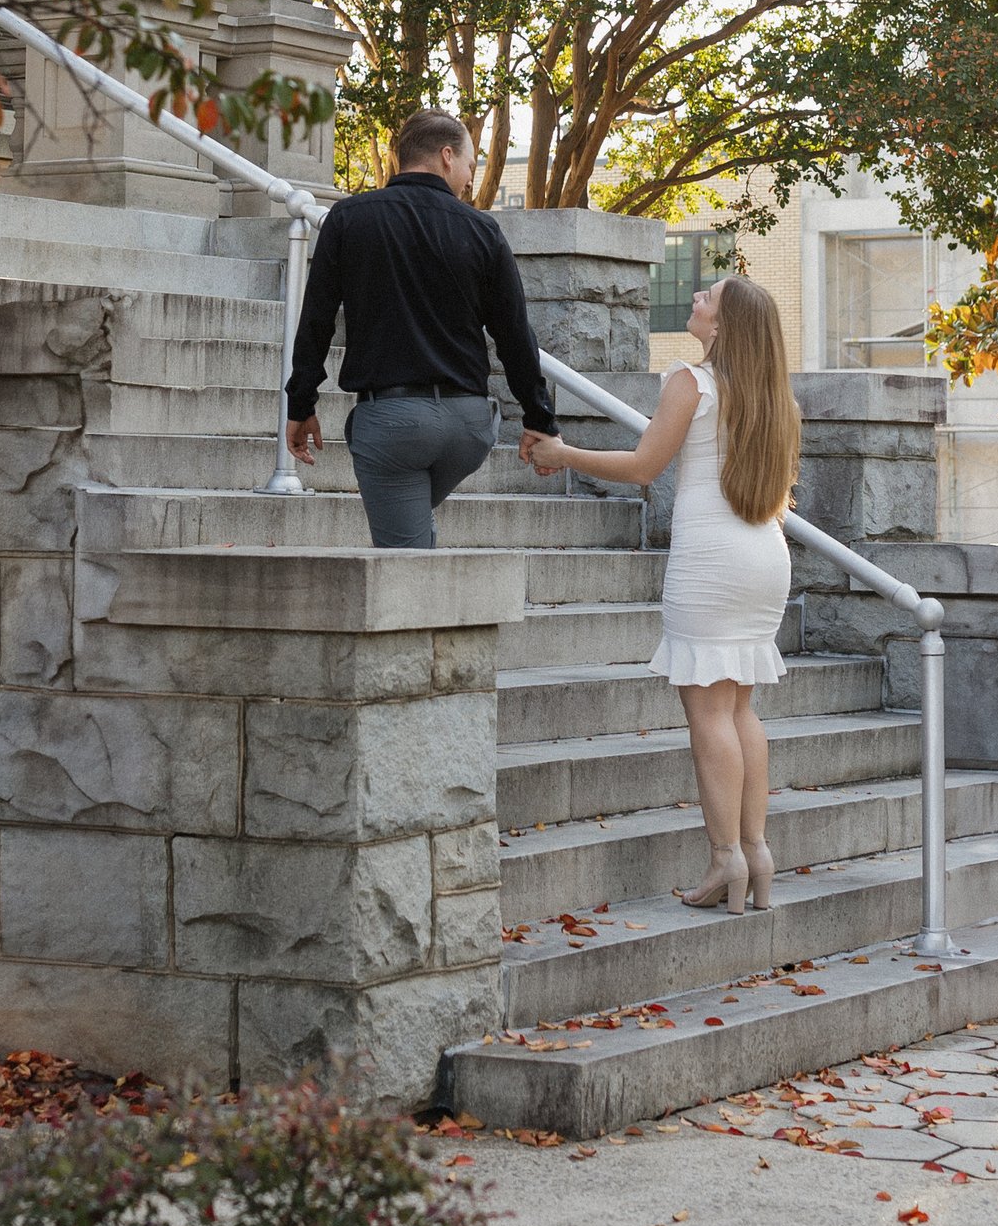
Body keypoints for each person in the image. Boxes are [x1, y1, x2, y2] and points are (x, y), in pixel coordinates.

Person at [524, 274, 799, 915]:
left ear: (724, 326)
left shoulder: (692, 381)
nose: (697, 298)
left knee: (708, 715)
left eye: (709, 296)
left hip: (711, 560)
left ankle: (724, 858)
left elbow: (645, 467)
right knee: (740, 711)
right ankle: (757, 853)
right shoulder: (775, 399)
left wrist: (565, 453)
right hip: (764, 557)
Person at [284, 108, 561, 549]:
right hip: (469, 428)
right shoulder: (482, 231)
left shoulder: (348, 219)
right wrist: (539, 417)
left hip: (392, 424)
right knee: (413, 527)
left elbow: (315, 322)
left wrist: (300, 404)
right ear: (447, 156)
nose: (471, 177)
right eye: (472, 164)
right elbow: (514, 336)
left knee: (404, 563)